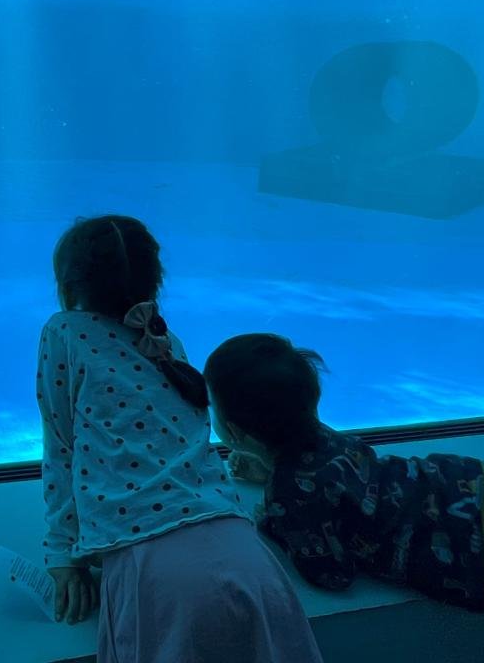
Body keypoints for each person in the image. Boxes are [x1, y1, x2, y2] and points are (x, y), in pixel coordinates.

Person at [37, 215, 324, 663]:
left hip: (154, 569)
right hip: (243, 550)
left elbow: (60, 447)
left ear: (70, 284)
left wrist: (62, 555)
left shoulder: (64, 332)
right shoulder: (165, 340)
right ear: (155, 280)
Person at [203, 332, 484, 639]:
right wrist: (266, 464)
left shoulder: (290, 502)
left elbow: (332, 575)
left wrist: (272, 526)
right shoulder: (328, 434)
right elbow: (320, 466)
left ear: (237, 433)